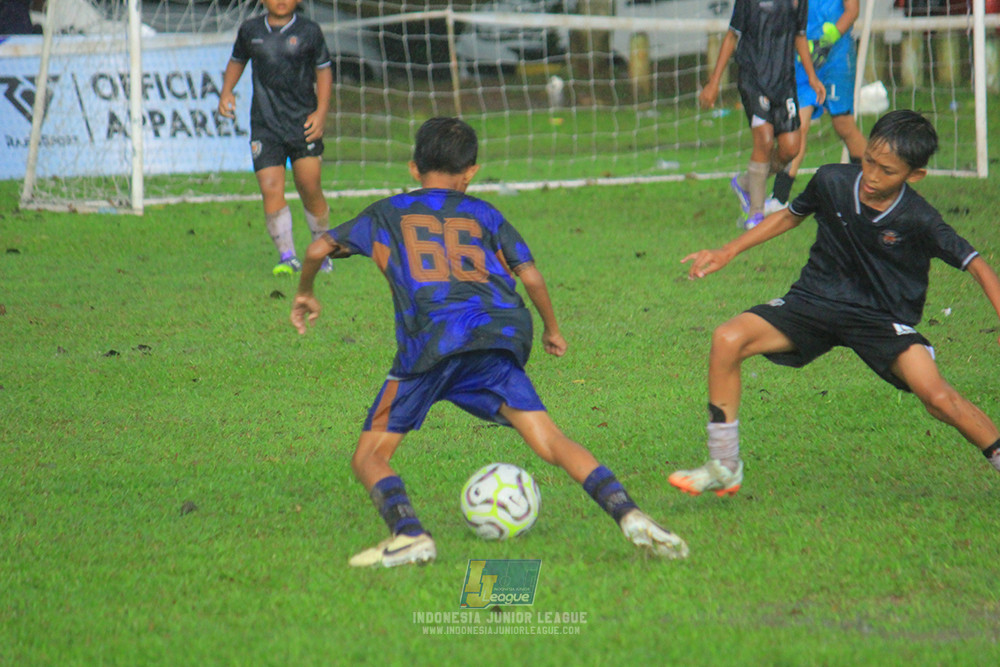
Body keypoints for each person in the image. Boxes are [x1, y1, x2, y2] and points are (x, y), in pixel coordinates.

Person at [290, 117, 689, 567]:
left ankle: (409, 534)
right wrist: (553, 330)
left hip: (431, 345)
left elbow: (317, 249)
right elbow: (530, 275)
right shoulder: (485, 214)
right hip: (495, 335)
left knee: (370, 456)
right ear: (471, 171)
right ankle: (627, 511)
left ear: (413, 167)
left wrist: (305, 292)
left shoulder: (386, 213)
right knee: (550, 441)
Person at [671, 110, 1000, 497]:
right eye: (869, 162)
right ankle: (724, 465)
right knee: (728, 338)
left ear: (914, 176)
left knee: (939, 398)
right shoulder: (831, 180)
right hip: (814, 301)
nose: (873, 177)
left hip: (880, 319)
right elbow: (790, 217)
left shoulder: (920, 218)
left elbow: (976, 265)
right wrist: (728, 250)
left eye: (887, 172)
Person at [218, 0, 333, 276]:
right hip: (265, 125)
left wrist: (321, 112)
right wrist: (227, 91)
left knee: (309, 185)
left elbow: (324, 70)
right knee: (270, 186)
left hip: (302, 123)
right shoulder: (250, 30)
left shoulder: (309, 31)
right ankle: (287, 256)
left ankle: (322, 249)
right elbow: (237, 61)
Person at [699, 0, 827, 230]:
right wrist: (714, 81)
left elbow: (799, 36)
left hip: (783, 81)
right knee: (764, 139)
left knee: (790, 148)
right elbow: (731, 35)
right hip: (753, 77)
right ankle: (755, 215)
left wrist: (812, 77)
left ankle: (745, 183)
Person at [768, 0, 868, 213]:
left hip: (836, 56)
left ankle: (873, 184)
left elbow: (852, 11)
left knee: (843, 125)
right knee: (798, 126)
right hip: (804, 55)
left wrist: (828, 41)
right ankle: (779, 198)